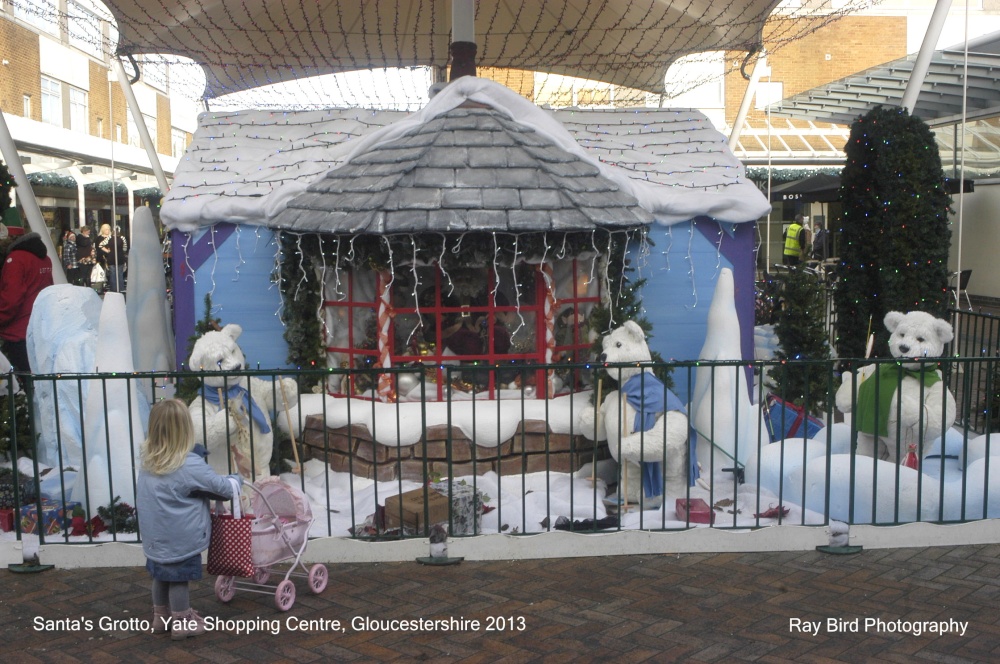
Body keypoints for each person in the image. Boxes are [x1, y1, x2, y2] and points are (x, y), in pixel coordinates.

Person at [136, 399, 243, 640]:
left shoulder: (148, 461)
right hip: (182, 537)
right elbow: (223, 488)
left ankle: (160, 617)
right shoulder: (188, 463)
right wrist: (236, 479)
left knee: (160, 575)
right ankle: (182, 621)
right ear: (185, 429)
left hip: (155, 537)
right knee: (178, 580)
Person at [0, 232, 54, 372]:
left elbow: (11, 298)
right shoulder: (44, 259)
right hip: (39, 326)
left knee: (19, 376)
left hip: (18, 329)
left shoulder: (16, 259)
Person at [97, 223, 127, 293]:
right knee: (120, 274)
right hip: (120, 257)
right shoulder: (122, 238)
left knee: (113, 275)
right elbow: (125, 249)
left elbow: (100, 245)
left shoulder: (109, 237)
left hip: (111, 257)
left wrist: (107, 251)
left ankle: (113, 289)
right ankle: (121, 289)